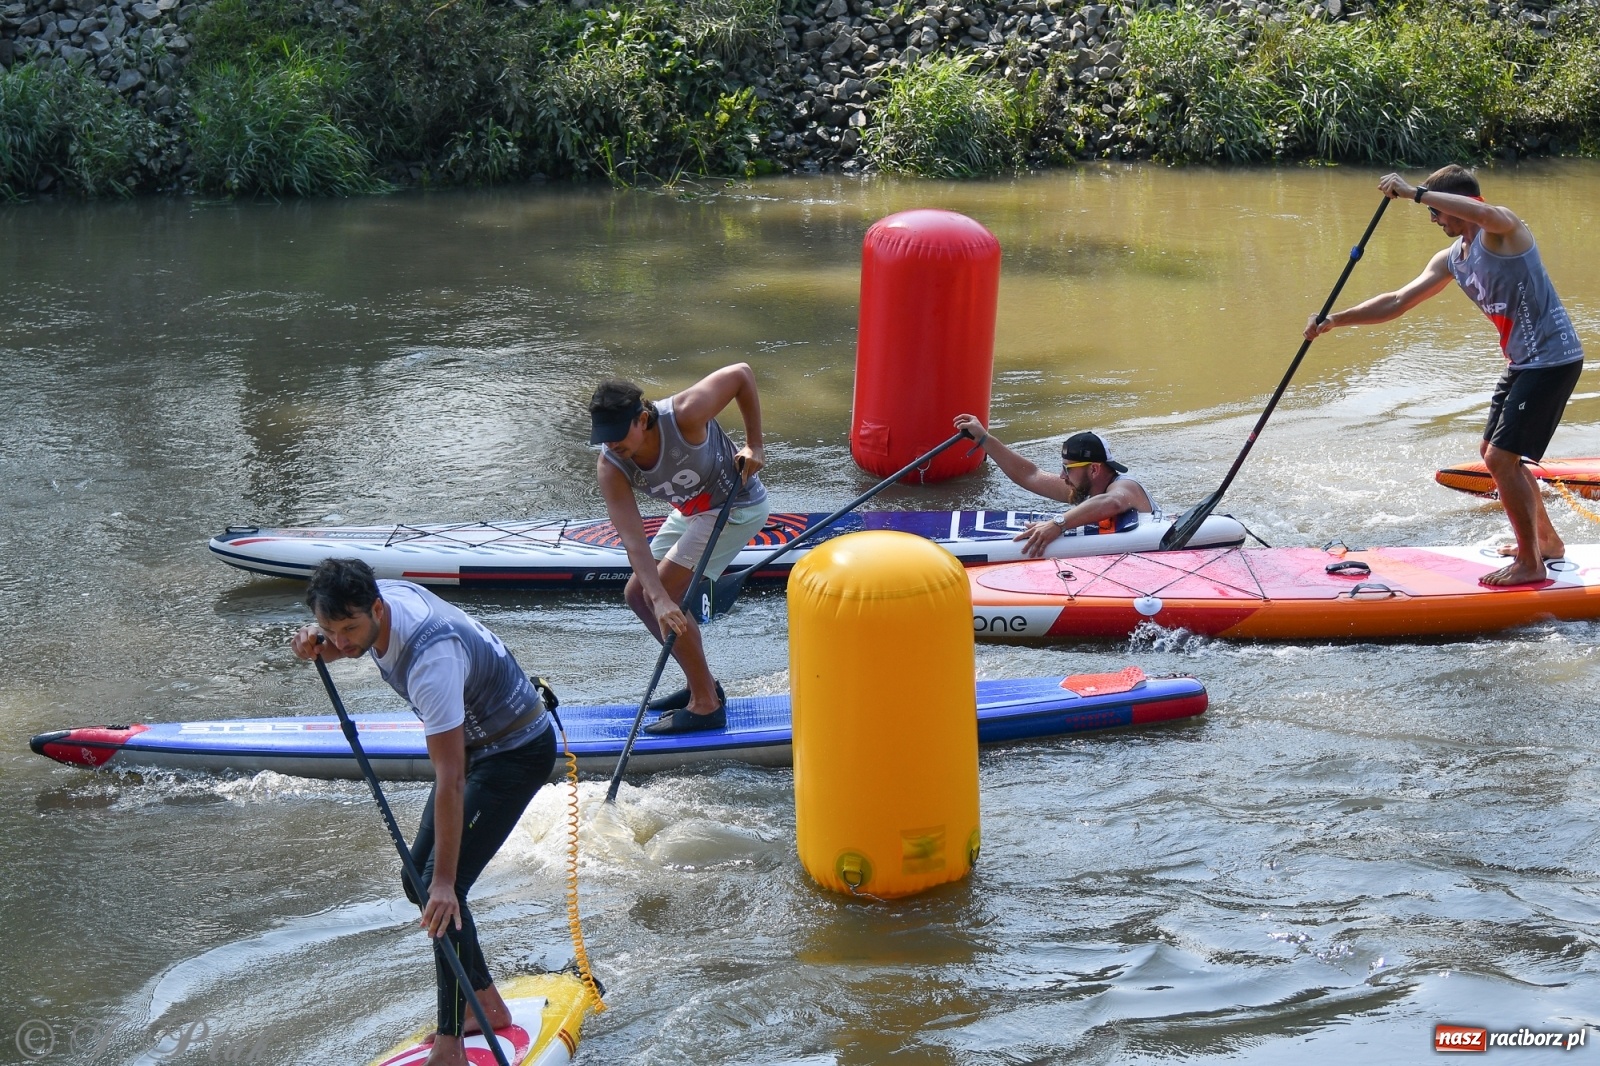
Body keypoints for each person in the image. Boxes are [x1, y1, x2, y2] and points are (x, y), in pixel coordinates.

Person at [291, 558, 557, 1066]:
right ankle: (486, 1006)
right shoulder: (368, 602)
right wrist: (314, 640)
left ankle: (451, 1044)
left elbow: (451, 778)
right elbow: (337, 631)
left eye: (350, 630)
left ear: (377, 607)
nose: (342, 643)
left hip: (515, 751)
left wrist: (446, 883)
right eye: (331, 630)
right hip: (479, 743)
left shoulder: (431, 659)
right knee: (419, 881)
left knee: (442, 888)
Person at [1306, 166, 1584, 587]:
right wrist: (1336, 320)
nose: (1434, 219)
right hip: (1521, 362)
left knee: (1500, 459)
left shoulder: (1505, 232)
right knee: (1494, 451)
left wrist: (1416, 193)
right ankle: (1547, 544)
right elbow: (1398, 301)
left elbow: (1491, 214)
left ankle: (1531, 562)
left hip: (1553, 359)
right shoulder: (1453, 257)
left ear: (1466, 204)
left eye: (1437, 210)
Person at [589, 364, 769, 734]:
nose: (612, 446)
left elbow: (741, 375)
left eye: (617, 436)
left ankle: (706, 704)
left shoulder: (686, 413)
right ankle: (701, 683)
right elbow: (633, 537)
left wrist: (755, 444)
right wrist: (657, 598)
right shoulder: (611, 466)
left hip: (735, 505)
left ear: (642, 418)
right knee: (639, 595)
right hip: (691, 512)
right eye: (604, 439)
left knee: (667, 592)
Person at [952, 413, 1153, 558]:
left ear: (1093, 470)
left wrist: (1056, 524)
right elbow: (1030, 475)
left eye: (1067, 469)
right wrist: (984, 438)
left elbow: (1112, 502)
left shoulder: (1127, 488)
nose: (1061, 475)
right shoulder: (1085, 490)